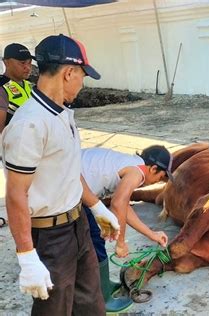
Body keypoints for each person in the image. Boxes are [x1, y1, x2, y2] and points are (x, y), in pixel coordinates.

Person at [2, 34, 120, 315]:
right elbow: (16, 193)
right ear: (69, 73)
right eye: (82, 76)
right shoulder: (30, 124)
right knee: (54, 309)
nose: (82, 83)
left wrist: (96, 206)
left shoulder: (62, 114)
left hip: (77, 225)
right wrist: (27, 256)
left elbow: (70, 168)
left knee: (91, 305)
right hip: (50, 236)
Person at [81, 145, 171, 312]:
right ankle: (103, 298)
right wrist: (120, 243)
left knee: (93, 240)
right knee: (95, 241)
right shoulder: (137, 173)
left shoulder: (130, 164)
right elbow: (117, 203)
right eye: (161, 177)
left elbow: (125, 207)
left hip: (77, 185)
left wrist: (152, 235)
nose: (159, 181)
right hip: (72, 190)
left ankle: (103, 284)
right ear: (153, 168)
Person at [0, 43, 34, 132]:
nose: (28, 67)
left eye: (29, 62)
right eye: (22, 63)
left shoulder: (30, 84)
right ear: (6, 62)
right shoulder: (2, 87)